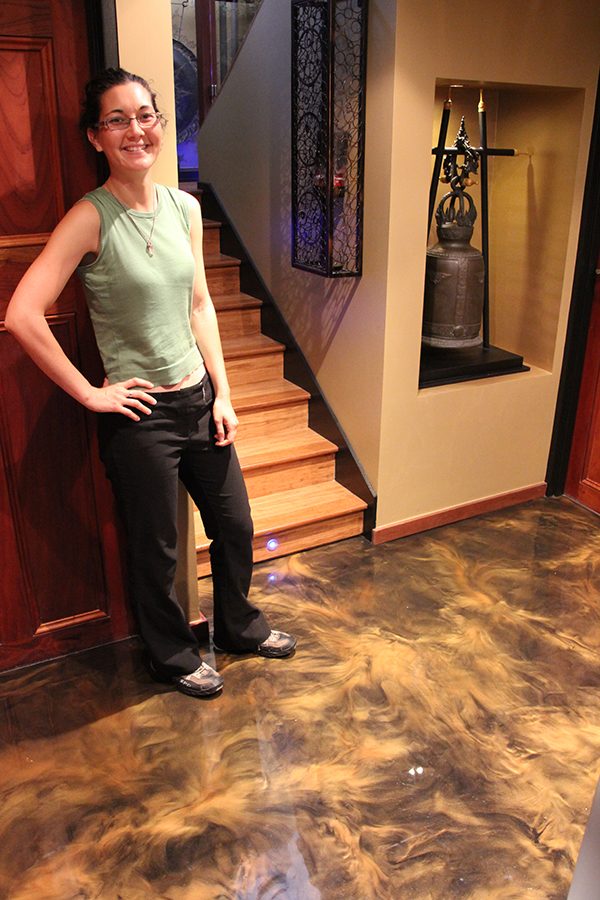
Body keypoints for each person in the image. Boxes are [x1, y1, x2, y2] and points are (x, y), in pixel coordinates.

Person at [5, 67, 296, 698]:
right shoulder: (90, 218)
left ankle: (240, 627)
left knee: (236, 525)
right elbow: (21, 314)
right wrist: (90, 392)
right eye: (117, 120)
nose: (135, 129)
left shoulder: (184, 207)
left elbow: (199, 306)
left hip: (197, 397)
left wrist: (223, 391)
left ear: (160, 123)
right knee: (159, 551)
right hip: (139, 418)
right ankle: (170, 655)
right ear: (95, 137)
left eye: (145, 115)